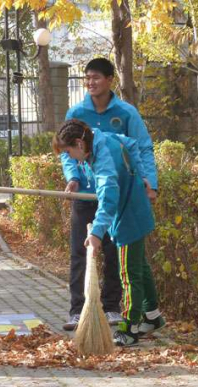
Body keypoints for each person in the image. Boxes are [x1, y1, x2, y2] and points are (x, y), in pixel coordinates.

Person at [61, 57, 158, 331]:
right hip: (86, 196)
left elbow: (140, 147)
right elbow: (68, 154)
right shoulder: (77, 112)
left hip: (117, 195)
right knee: (81, 251)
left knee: (117, 249)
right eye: (87, 78)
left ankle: (113, 307)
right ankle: (77, 309)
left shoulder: (126, 113)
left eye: (97, 78)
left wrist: (148, 182)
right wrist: (74, 178)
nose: (91, 83)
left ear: (110, 80)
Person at [53, 119, 165, 346]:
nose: (71, 158)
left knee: (128, 274)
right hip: (136, 207)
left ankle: (130, 329)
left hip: (127, 216)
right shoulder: (100, 137)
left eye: (69, 151)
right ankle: (152, 316)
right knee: (140, 267)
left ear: (79, 144)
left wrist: (95, 233)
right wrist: (141, 175)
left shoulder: (104, 166)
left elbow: (108, 201)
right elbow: (130, 144)